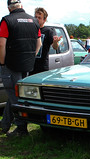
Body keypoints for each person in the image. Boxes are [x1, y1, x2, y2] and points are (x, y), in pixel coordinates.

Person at [0, 0, 42, 136]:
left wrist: (2, 62)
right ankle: (5, 124)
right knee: (16, 95)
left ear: (8, 8)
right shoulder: (34, 21)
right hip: (27, 65)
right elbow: (39, 43)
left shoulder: (7, 20)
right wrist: (31, 57)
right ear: (21, 6)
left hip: (11, 65)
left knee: (15, 96)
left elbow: (1, 44)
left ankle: (21, 129)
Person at [30, 7, 62, 74]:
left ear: (44, 20)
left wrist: (55, 42)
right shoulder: (31, 30)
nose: (37, 19)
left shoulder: (48, 31)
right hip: (30, 65)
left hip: (42, 67)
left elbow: (55, 47)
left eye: (39, 18)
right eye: (35, 17)